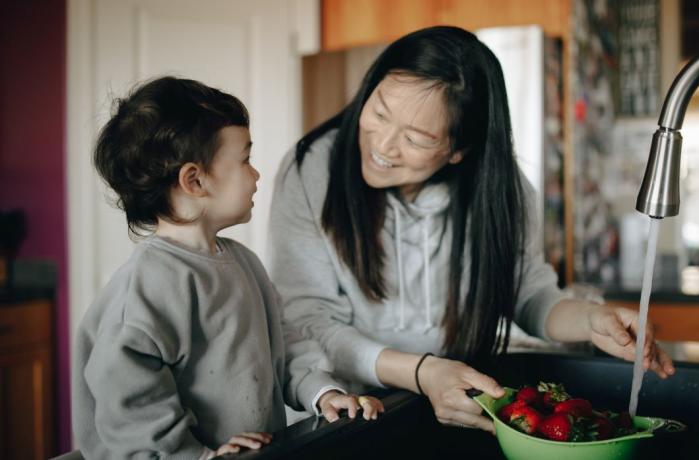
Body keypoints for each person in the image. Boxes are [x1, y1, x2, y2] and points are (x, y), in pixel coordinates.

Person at [267, 26, 675, 434]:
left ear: (459, 150)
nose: (383, 145)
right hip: (347, 411)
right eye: (379, 113)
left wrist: (591, 320)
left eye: (416, 138)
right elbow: (307, 321)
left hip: (451, 399)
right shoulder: (312, 170)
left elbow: (529, 294)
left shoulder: (503, 191)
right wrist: (423, 372)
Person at [72, 77, 383, 459]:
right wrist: (196, 456)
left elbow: (283, 344)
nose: (255, 174)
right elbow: (129, 399)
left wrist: (322, 392)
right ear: (195, 179)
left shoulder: (243, 262)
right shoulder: (149, 284)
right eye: (245, 160)